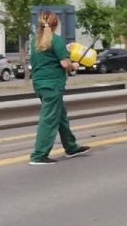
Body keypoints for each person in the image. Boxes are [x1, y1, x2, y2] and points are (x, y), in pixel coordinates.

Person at [28, 10, 90, 165]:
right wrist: (74, 65)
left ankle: (71, 147)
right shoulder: (56, 40)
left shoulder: (35, 40)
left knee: (60, 116)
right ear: (56, 25)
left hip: (39, 83)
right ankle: (39, 155)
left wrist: (65, 48)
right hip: (53, 84)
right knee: (49, 118)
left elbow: (48, 54)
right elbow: (64, 63)